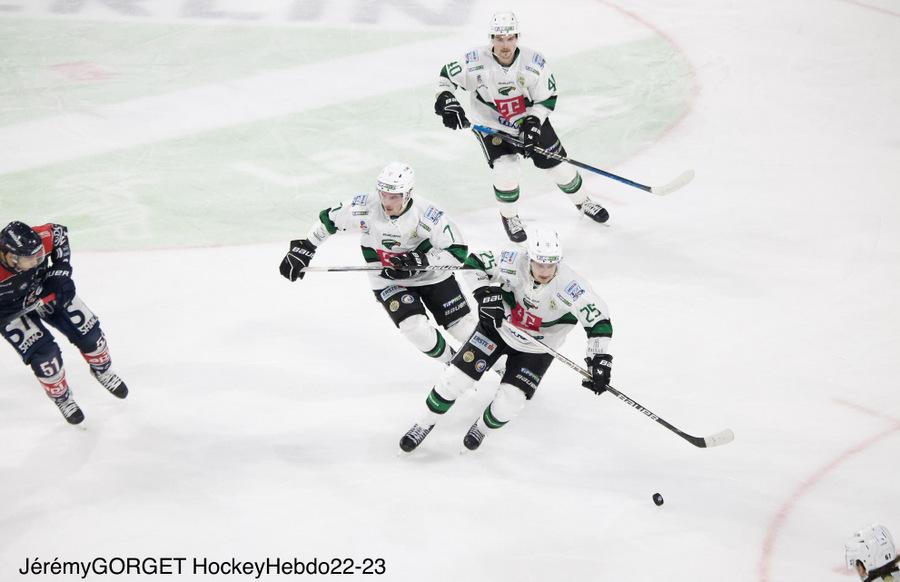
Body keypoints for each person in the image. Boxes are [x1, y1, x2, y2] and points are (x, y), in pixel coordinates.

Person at [398, 227, 612, 452]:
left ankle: (481, 428)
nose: (545, 270)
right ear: (529, 257)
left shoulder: (571, 287)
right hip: (498, 329)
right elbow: (474, 263)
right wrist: (483, 294)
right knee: (454, 379)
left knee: (509, 404)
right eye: (540, 263)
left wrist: (597, 359)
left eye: (551, 264)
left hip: (537, 347)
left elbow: (599, 321)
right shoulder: (512, 261)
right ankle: (423, 423)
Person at [433, 11, 610, 244]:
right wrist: (447, 100)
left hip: (527, 121)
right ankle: (510, 217)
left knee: (559, 168)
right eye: (499, 38)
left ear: (517, 37)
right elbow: (446, 77)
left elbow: (547, 98)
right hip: (491, 125)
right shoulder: (474, 61)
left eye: (509, 38)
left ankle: (583, 201)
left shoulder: (534, 63)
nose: (504, 45)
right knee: (506, 171)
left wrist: (534, 122)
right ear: (491, 38)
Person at [279, 162, 477, 364]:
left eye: (394, 196)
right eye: (383, 194)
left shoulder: (426, 214)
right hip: (388, 280)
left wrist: (422, 260)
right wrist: (306, 247)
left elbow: (457, 251)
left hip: (432, 277)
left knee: (463, 328)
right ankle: (455, 366)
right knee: (414, 327)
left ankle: (503, 366)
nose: (387, 201)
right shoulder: (365, 206)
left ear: (408, 194)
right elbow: (330, 219)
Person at [0, 221, 128, 425]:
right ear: (8, 256)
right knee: (45, 357)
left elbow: (58, 233)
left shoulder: (41, 239)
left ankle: (102, 369)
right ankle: (63, 398)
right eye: (29, 259)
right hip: (10, 310)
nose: (35, 261)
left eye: (38, 256)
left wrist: (60, 272)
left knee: (90, 333)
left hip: (42, 291)